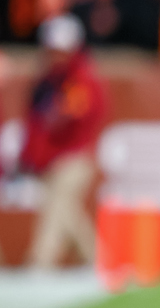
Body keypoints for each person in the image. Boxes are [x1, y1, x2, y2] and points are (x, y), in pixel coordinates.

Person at [19, 14, 109, 269]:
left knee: (57, 204)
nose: (55, 56)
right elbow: (37, 125)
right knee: (66, 211)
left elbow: (76, 121)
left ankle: (40, 261)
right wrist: (32, 157)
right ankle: (99, 259)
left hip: (73, 156)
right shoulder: (46, 82)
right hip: (50, 159)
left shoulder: (81, 80)